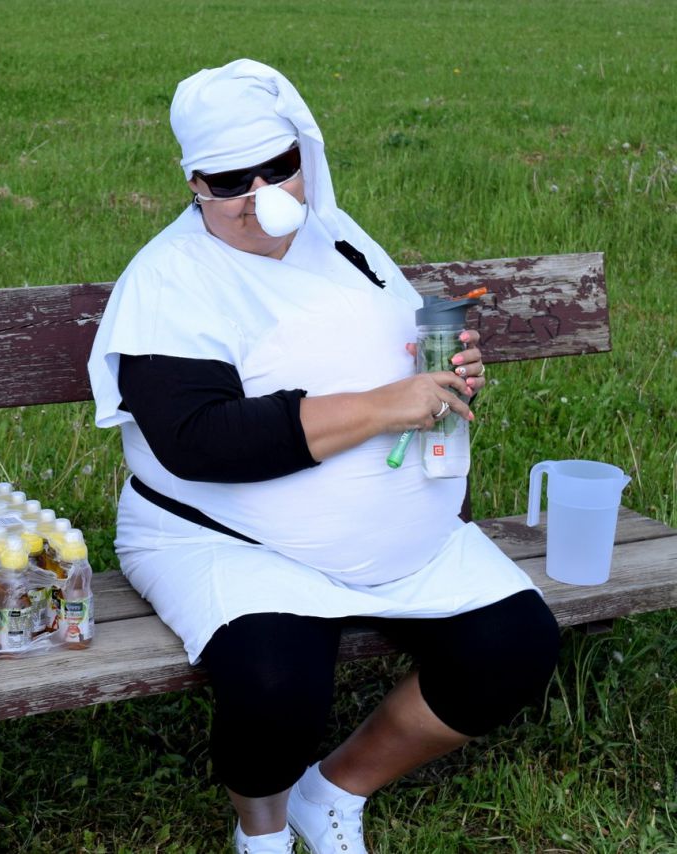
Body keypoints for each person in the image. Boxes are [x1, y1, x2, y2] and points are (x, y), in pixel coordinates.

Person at [87, 59, 560, 854]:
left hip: (404, 546)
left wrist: (444, 373)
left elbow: (403, 343)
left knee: (515, 648)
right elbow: (199, 440)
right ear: (194, 183)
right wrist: (383, 406)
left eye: (279, 168)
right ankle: (263, 830)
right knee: (277, 686)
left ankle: (331, 792)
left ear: (304, 156)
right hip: (230, 539)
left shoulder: (339, 238)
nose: (260, 196)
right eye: (230, 181)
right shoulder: (170, 280)